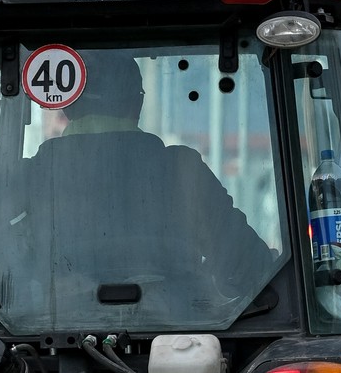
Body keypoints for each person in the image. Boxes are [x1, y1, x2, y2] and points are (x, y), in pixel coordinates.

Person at [20, 49, 276, 314]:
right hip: (180, 339)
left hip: (46, 341)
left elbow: (4, 276)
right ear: (137, 104)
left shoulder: (29, 177)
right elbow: (248, 268)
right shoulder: (183, 172)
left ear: (68, 107)